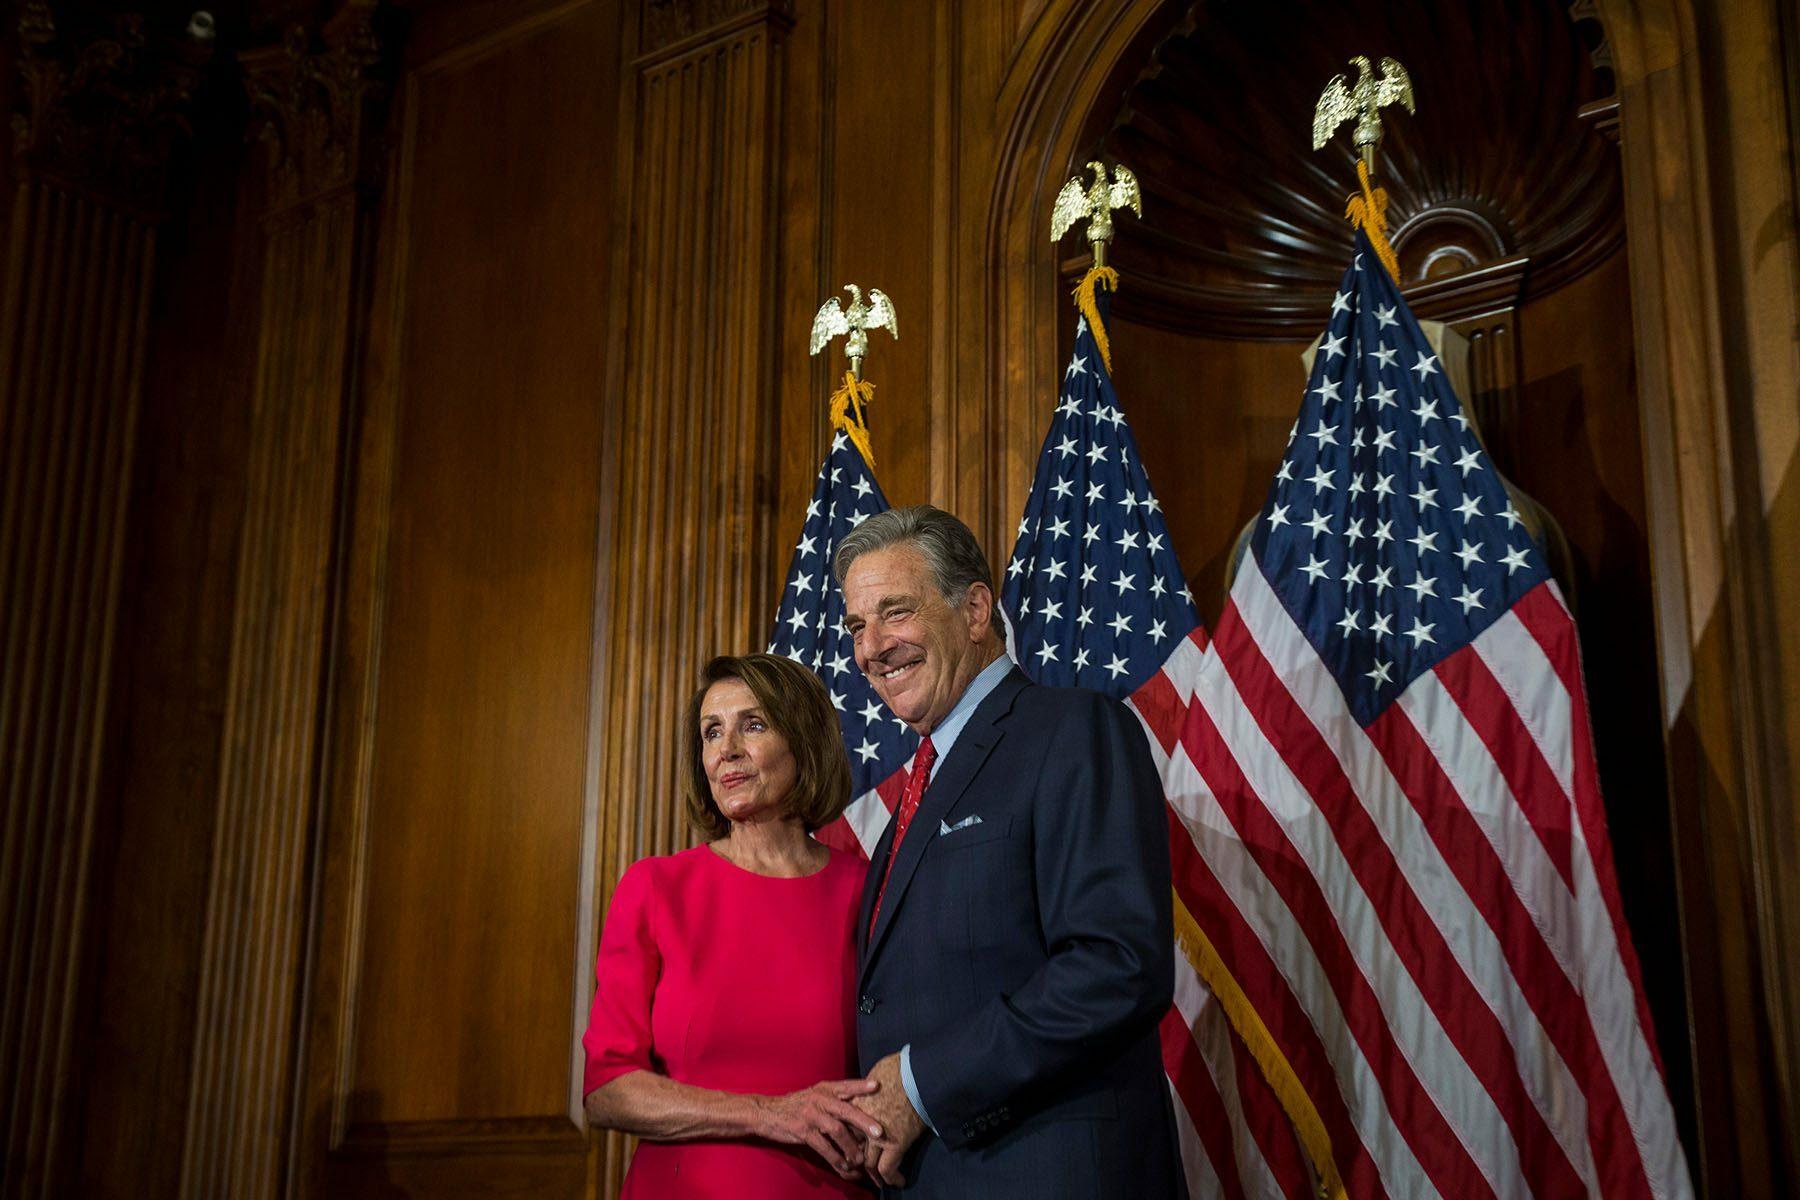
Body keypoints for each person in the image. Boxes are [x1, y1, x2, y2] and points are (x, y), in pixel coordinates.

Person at [834, 505, 1185, 1198]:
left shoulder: (1073, 731)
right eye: (855, 625)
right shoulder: (916, 788)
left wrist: (919, 1083)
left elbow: (1115, 966)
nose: (871, 647)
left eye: (895, 612)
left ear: (974, 610)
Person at [582, 653, 886, 1197]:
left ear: (803, 742)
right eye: (711, 732)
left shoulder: (869, 892)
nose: (727, 751)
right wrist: (771, 1114)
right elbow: (608, 1089)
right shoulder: (656, 889)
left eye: (754, 725)